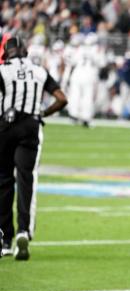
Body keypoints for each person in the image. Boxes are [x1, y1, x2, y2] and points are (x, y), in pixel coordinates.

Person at [0, 36, 68, 260]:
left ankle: (5, 239)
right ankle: (24, 230)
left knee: (3, 181)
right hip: (31, 125)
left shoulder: (3, 70)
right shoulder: (39, 71)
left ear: (6, 53)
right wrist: (43, 113)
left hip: (6, 126)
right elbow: (61, 98)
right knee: (25, 178)